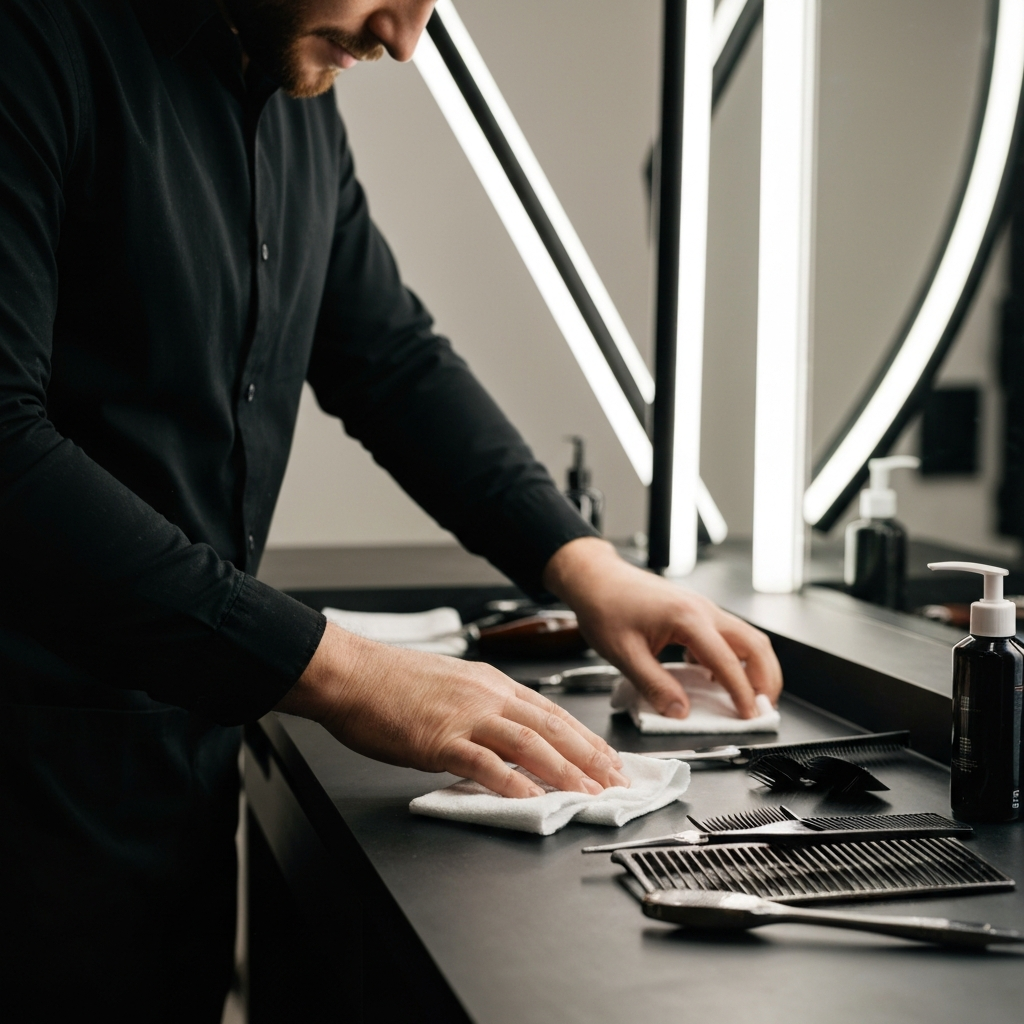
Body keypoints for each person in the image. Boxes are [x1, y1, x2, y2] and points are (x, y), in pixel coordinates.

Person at [0, 0, 782, 1018]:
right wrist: (338, 670)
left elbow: (388, 359)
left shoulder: (297, 99)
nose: (405, 40)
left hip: (168, 775)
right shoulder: (34, 43)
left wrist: (584, 565)